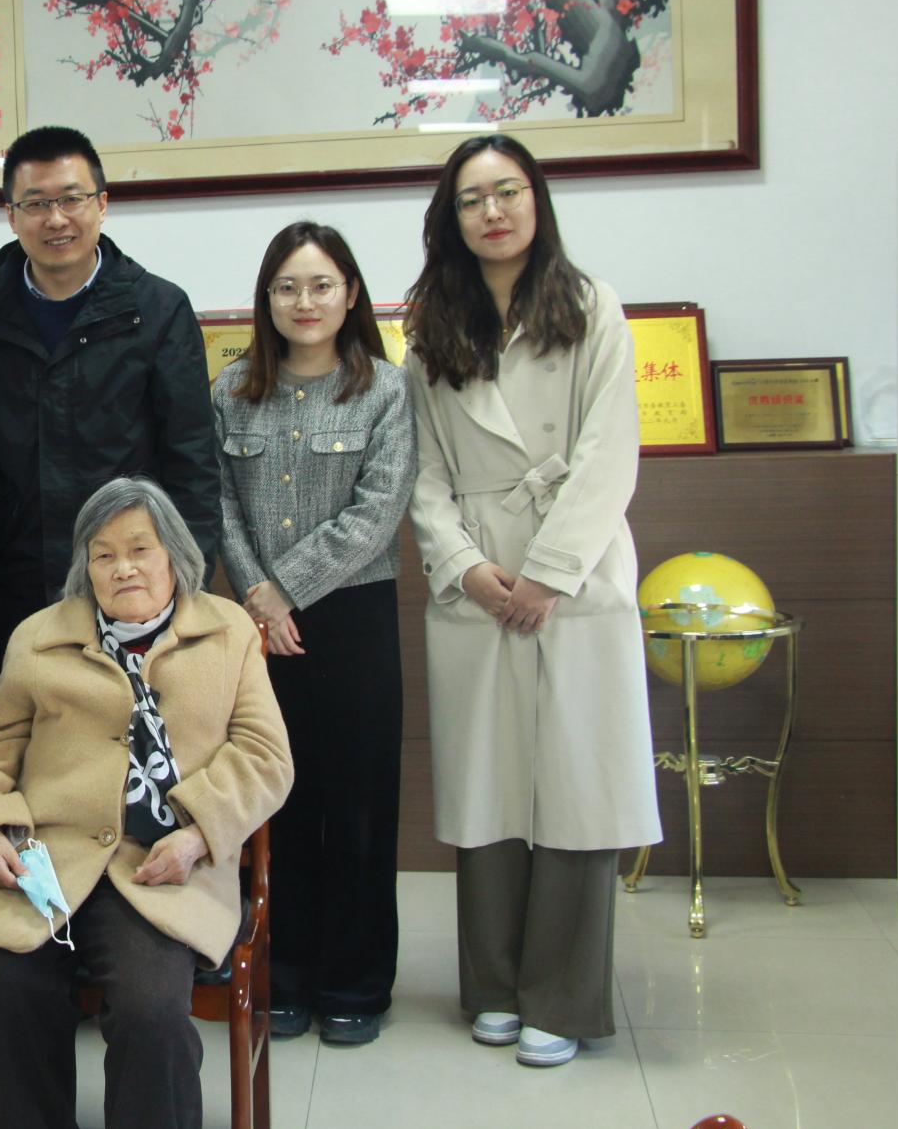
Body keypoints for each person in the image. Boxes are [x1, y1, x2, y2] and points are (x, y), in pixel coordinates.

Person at [403, 134, 660, 1068]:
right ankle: (496, 985)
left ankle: (563, 994)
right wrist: (467, 567)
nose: (492, 212)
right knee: (490, 785)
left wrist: (549, 573)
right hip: (478, 580)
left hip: (574, 571)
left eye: (507, 191)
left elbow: (610, 453)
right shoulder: (432, 326)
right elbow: (424, 472)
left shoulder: (591, 308)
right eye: (471, 199)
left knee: (579, 787)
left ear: (537, 200)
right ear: (452, 219)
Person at [0, 477, 292, 1129]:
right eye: (103, 554)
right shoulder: (38, 636)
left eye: (139, 549)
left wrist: (198, 832)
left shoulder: (228, 631)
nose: (122, 567)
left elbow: (265, 756)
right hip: (47, 860)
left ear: (174, 555)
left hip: (161, 863)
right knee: (3, 982)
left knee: (150, 1008)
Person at [212, 221, 415, 1046]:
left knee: (358, 805)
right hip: (258, 625)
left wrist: (284, 588)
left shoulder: (385, 390)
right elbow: (218, 504)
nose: (305, 301)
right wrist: (258, 595)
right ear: (267, 299)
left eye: (322, 284)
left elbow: (379, 510)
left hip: (354, 616)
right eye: (288, 286)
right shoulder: (231, 391)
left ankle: (356, 983)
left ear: (351, 293)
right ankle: (281, 975)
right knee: (277, 802)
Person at [0, 126, 221, 671]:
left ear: (101, 204)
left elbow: (192, 461)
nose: (56, 219)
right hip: (18, 586)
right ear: (11, 216)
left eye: (72, 199)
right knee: (31, 724)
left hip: (135, 584)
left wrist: (190, 582)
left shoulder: (159, 311)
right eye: (35, 203)